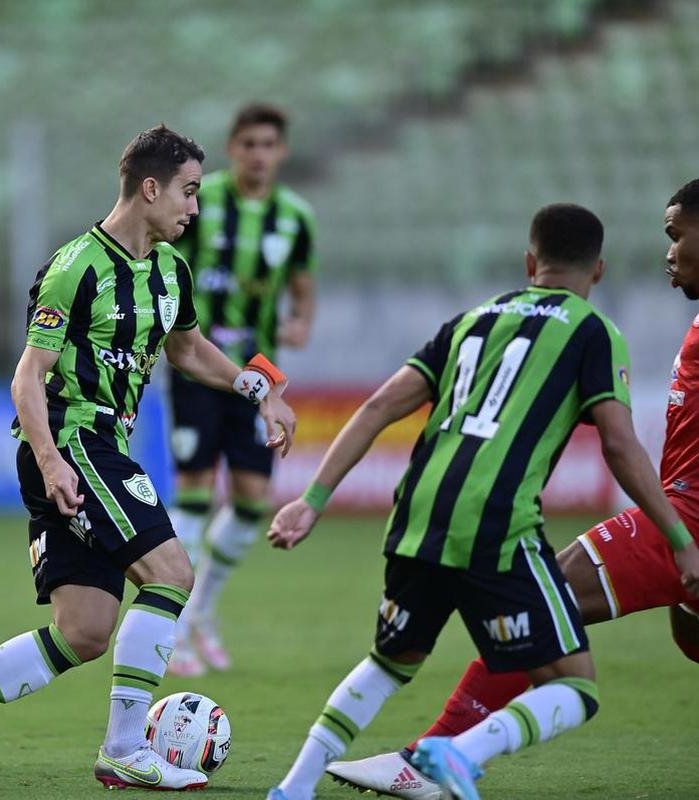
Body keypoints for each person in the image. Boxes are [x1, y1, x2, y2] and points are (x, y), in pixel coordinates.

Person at [0, 125, 297, 791]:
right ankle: (123, 748)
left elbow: (188, 351)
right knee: (171, 574)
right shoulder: (76, 266)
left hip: (98, 449)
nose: (194, 207)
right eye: (187, 192)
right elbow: (27, 378)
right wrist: (51, 462)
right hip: (74, 442)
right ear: (149, 188)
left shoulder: (171, 271)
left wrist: (261, 391)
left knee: (83, 631)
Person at [263, 203, 699, 800]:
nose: (669, 251)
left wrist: (311, 499)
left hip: (416, 516)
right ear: (597, 271)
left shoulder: (474, 317)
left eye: (677, 236)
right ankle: (454, 752)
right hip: (500, 525)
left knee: (390, 662)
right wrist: (679, 538)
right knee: (575, 683)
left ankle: (293, 788)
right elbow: (619, 445)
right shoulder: (593, 330)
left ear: (528, 261)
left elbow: (379, 406)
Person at [167, 103, 319, 676]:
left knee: (253, 501)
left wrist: (302, 320)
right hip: (198, 364)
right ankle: (177, 627)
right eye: (249, 144)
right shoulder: (200, 201)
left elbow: (303, 288)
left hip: (261, 376)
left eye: (269, 145)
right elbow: (166, 262)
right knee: (195, 494)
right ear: (233, 147)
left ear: (281, 152)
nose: (259, 154)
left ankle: (201, 608)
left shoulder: (294, 217)